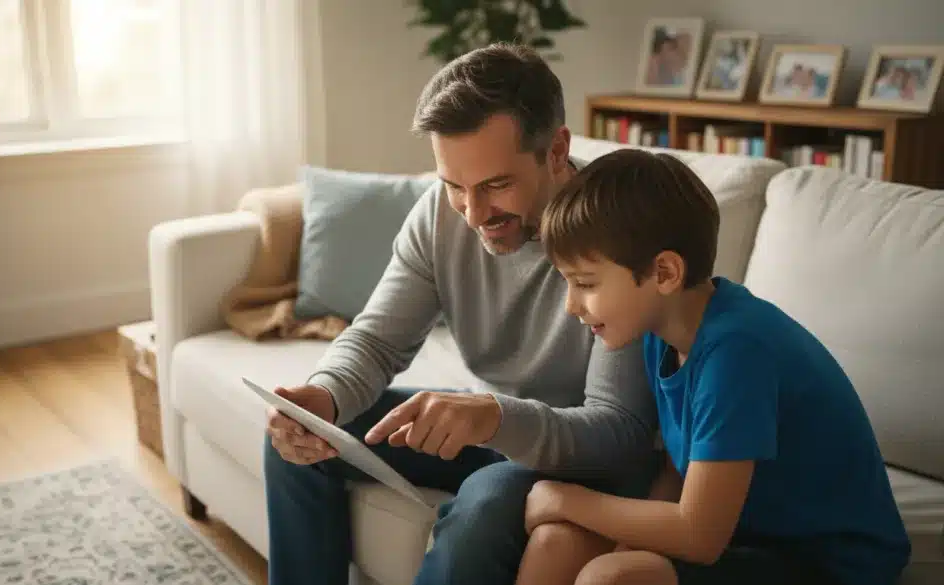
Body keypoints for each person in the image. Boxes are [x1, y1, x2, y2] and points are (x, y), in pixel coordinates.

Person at [261, 43, 662, 585]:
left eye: (497, 185)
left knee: (485, 502)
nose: (474, 214)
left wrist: (492, 417)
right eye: (455, 186)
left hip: (584, 462)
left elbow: (620, 432)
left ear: (556, 149)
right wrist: (324, 395)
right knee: (301, 437)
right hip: (494, 431)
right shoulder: (439, 216)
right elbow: (378, 340)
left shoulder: (623, 231)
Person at [513, 149, 913, 585]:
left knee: (612, 578)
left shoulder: (736, 351)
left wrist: (567, 500)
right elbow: (677, 468)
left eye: (585, 283)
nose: (571, 305)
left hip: (827, 562)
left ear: (664, 272)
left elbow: (698, 535)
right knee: (558, 544)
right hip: (744, 536)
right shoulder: (659, 333)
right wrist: (636, 537)